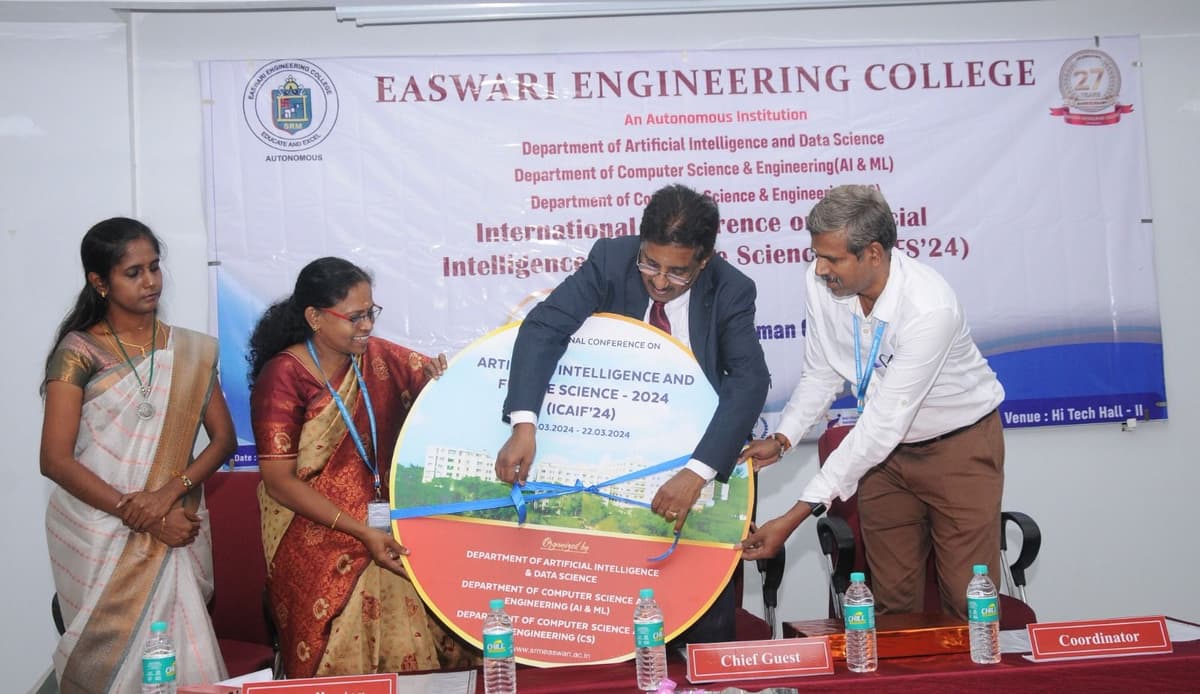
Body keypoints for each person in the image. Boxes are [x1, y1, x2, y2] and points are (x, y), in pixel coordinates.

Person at [496, 184, 771, 642]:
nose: (660, 282)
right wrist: (524, 423)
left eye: (678, 273)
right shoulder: (610, 259)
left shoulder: (732, 288)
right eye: (651, 264)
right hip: (613, 461)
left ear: (704, 261)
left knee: (698, 619)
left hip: (694, 459)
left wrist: (695, 474)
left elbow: (749, 382)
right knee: (609, 615)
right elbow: (545, 327)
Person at [740, 185, 1005, 620]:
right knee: (891, 602)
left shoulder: (928, 309)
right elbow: (823, 369)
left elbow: (882, 424)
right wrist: (785, 437)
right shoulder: (822, 284)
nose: (820, 269)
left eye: (833, 259)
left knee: (967, 600)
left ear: (874, 254)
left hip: (958, 449)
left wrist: (791, 519)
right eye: (816, 255)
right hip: (884, 461)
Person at [248, 256, 476, 678]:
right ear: (314, 317)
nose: (367, 326)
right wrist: (359, 532)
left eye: (371, 313)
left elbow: (439, 392)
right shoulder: (284, 376)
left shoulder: (379, 359)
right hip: (317, 536)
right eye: (354, 317)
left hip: (385, 530)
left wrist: (438, 378)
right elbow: (278, 483)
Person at [40, 217, 236, 691]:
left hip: (174, 522)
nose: (150, 281)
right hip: (99, 531)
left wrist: (170, 494)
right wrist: (143, 515)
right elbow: (55, 460)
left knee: (182, 652)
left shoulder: (187, 349)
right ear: (99, 281)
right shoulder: (78, 352)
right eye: (133, 272)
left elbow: (224, 439)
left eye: (155, 267)